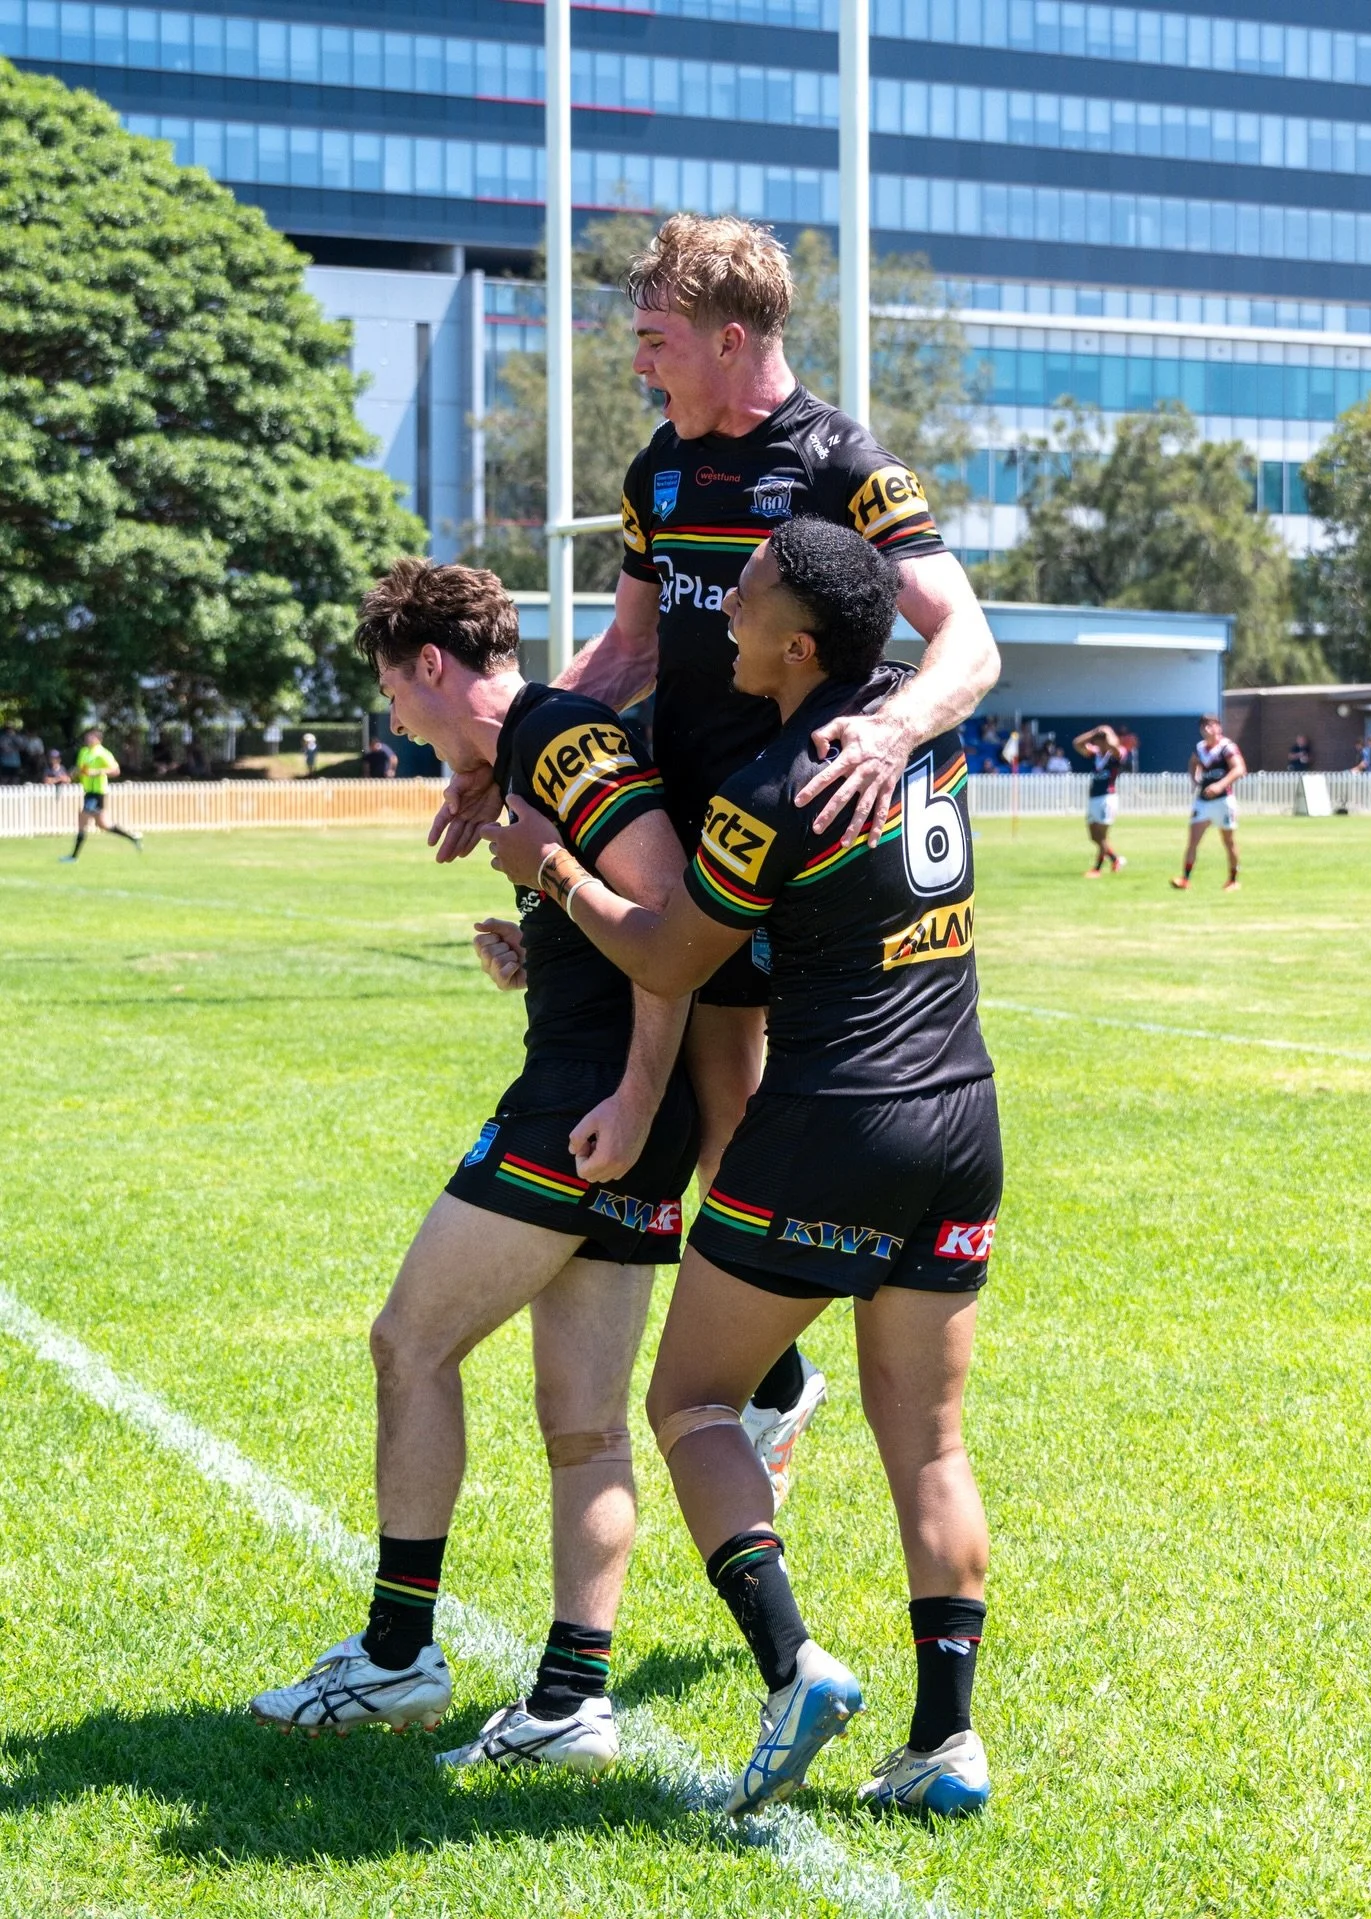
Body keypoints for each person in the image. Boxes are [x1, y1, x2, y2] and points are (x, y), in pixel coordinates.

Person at [430, 215, 1000, 1505]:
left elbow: (968, 638)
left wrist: (894, 725)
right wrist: (507, 754)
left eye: (656, 341)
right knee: (703, 1106)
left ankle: (772, 1368)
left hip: (787, 848)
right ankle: (775, 1373)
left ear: (731, 338)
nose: (641, 367)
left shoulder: (844, 463)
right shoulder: (659, 470)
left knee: (738, 1110)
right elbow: (626, 655)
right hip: (674, 831)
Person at [484, 517, 1001, 1820]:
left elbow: (668, 955)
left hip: (831, 1119)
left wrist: (544, 862)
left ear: (801, 642)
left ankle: (793, 1662)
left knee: (694, 1401)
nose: (723, 614)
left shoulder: (778, 783)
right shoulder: (917, 721)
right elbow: (962, 649)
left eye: (748, 595)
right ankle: (946, 1738)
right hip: (963, 1120)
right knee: (928, 1438)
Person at [251, 560, 699, 1775]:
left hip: (588, 1108)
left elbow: (667, 912)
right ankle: (571, 1701)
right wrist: (545, 945)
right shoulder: (542, 751)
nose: (394, 717)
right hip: (635, 1109)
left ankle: (397, 1652)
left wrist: (552, 888)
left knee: (410, 1339)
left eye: (392, 690)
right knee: (588, 1429)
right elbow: (619, 925)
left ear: (431, 666)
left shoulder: (557, 734)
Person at [1171, 715, 1245, 891]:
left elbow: (1240, 769)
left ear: (1219, 727)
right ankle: (1185, 879)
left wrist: (1220, 785)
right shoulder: (1200, 748)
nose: (1207, 729)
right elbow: (1193, 762)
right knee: (1193, 841)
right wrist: (1194, 778)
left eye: (1211, 725)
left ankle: (1233, 880)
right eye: (1204, 726)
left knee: (1228, 841)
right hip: (1203, 802)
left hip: (1223, 801)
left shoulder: (1227, 747)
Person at [59, 729, 142, 860]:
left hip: (98, 792)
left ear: (98, 739)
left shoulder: (102, 753)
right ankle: (133, 837)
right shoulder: (84, 752)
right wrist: (70, 777)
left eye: (90, 737)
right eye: (86, 737)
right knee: (104, 824)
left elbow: (116, 770)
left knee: (82, 819)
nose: (87, 740)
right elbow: (81, 769)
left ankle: (73, 857)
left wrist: (97, 772)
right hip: (88, 791)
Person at [1071, 724, 1130, 877]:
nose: (1097, 743)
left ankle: (1097, 869)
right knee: (1094, 836)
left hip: (1106, 798)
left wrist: (1108, 733)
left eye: (1100, 741)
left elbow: (1116, 749)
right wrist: (1093, 733)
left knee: (1102, 836)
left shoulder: (1116, 754)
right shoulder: (1095, 754)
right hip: (1093, 798)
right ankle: (1116, 859)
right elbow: (1077, 743)